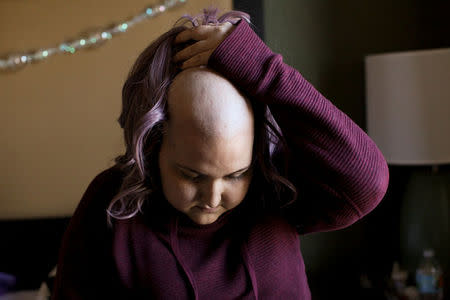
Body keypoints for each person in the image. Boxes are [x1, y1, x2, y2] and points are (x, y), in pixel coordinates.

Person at [51, 7, 389, 300]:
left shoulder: (274, 185)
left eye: (235, 175)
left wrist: (264, 70)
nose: (213, 198)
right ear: (154, 144)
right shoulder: (111, 204)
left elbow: (367, 180)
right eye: (191, 174)